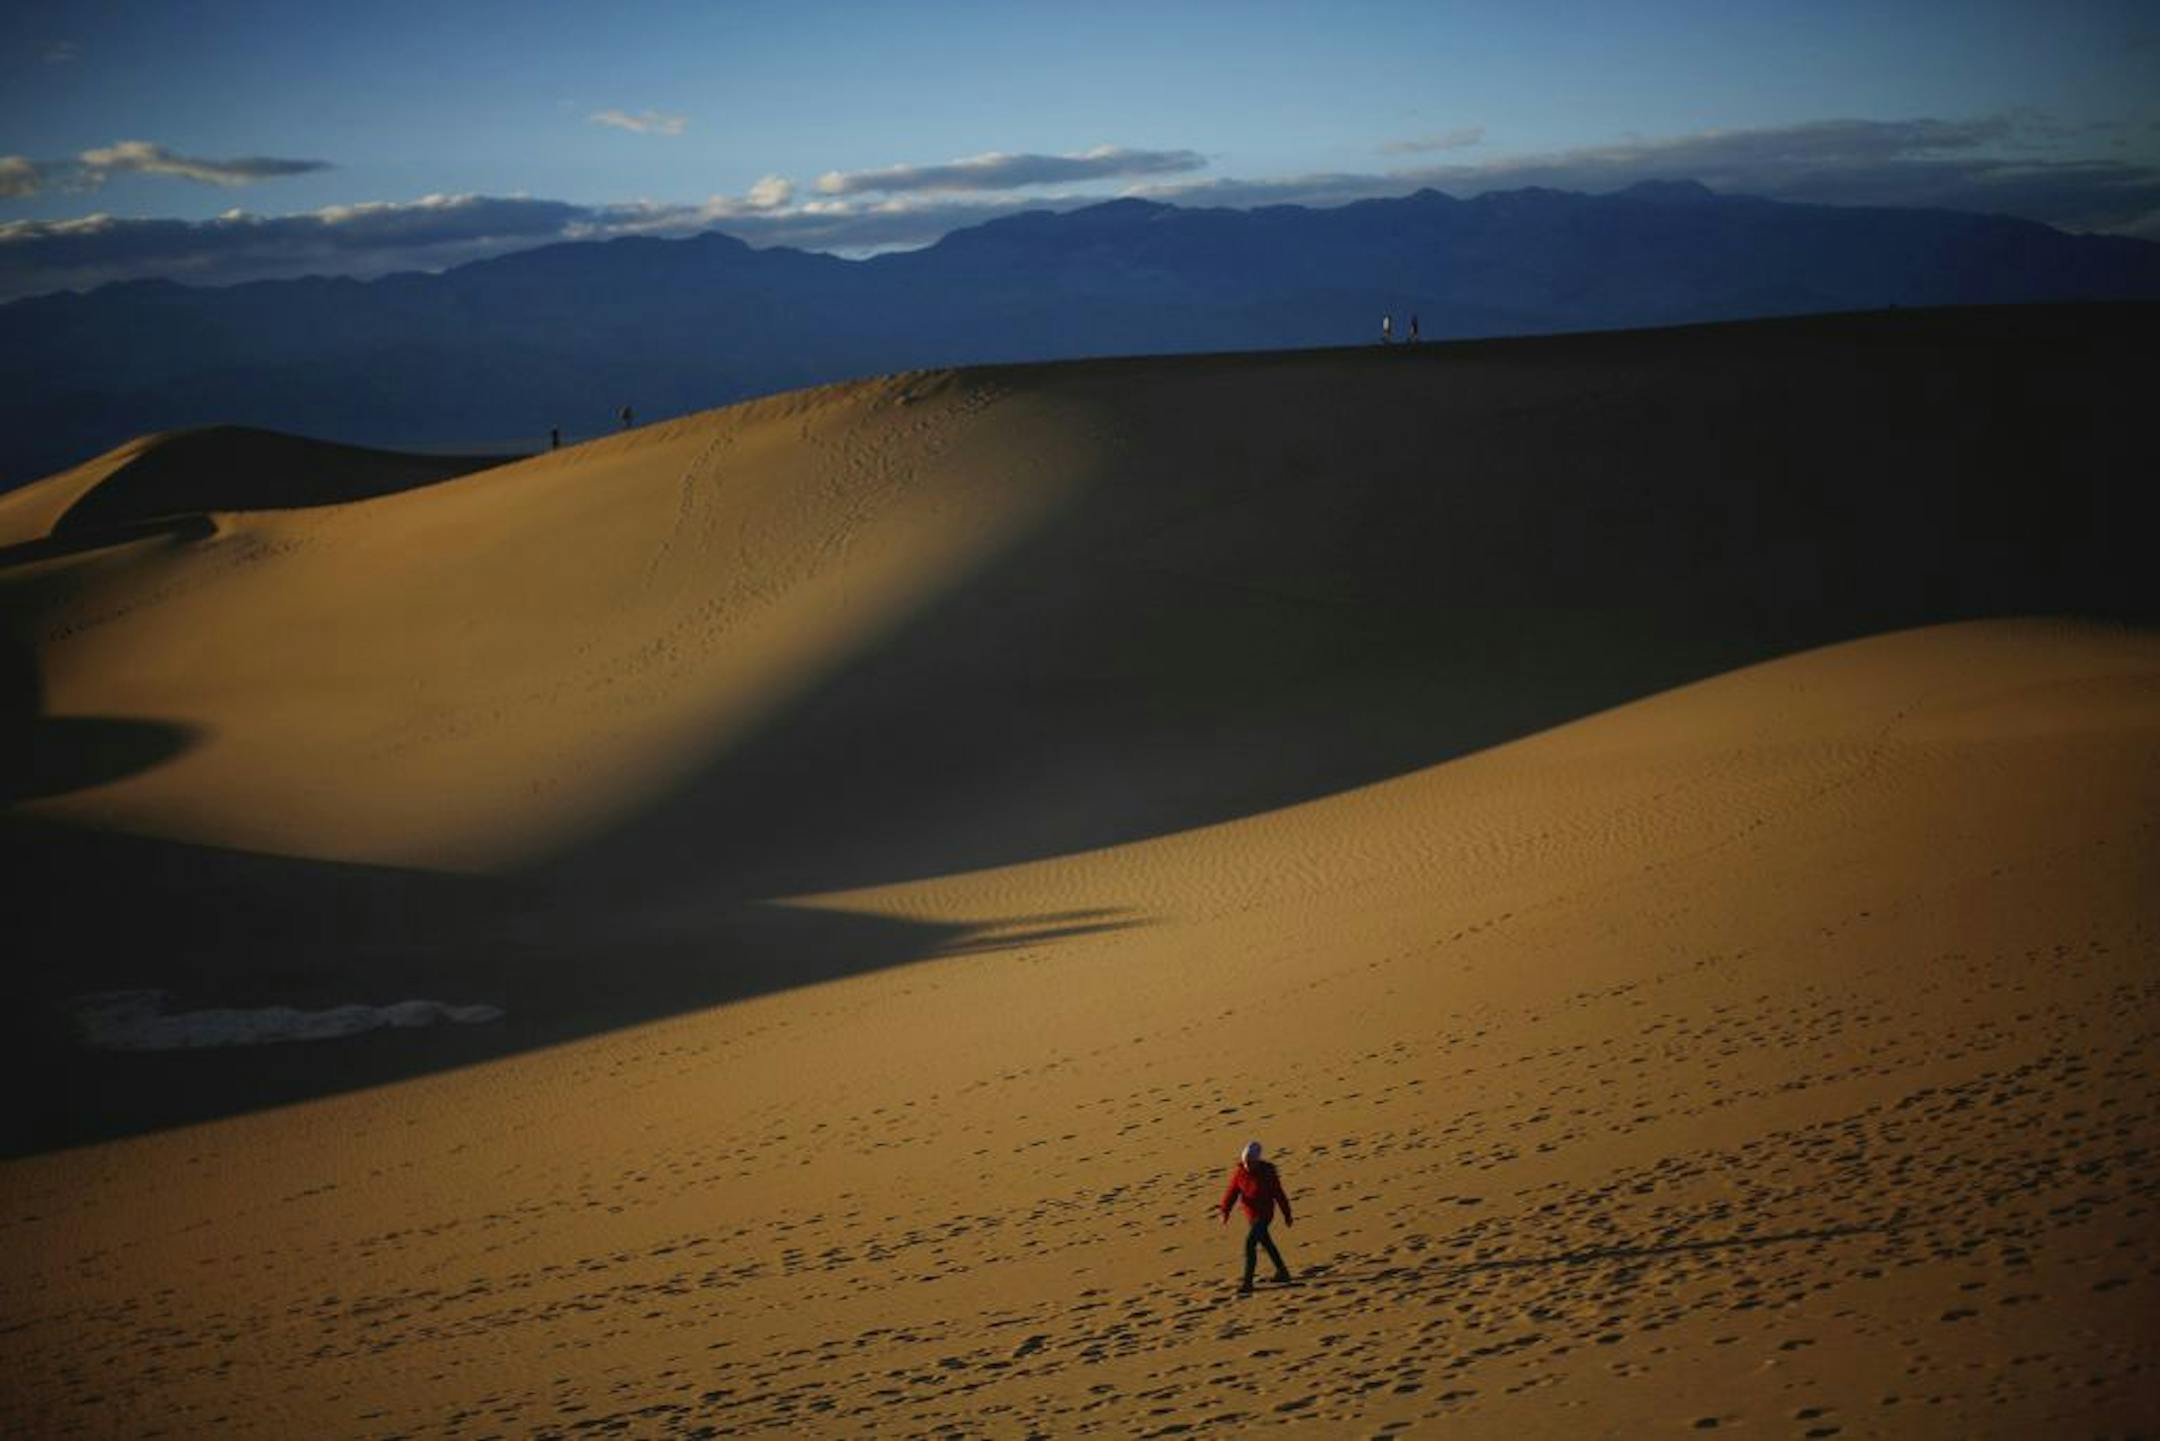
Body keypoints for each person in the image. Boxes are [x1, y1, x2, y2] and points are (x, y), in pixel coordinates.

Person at [1216, 1140, 1294, 1294]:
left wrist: (1287, 1214)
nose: (1247, 1165)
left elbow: (1279, 1195)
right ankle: (1282, 1272)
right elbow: (1232, 1192)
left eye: (1250, 1162)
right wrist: (1225, 1211)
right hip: (1251, 1215)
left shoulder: (1268, 1173)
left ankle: (1248, 1283)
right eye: (1245, 1162)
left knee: (1250, 1243)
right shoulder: (1240, 1173)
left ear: (1257, 1160)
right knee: (1266, 1242)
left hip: (1264, 1214)